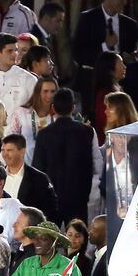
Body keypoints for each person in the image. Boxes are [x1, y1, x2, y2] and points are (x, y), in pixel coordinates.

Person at [31, 89, 96, 225]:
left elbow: (38, 169)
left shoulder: (44, 135)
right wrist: (85, 194)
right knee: (77, 240)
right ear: (73, 107)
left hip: (50, 198)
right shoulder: (86, 132)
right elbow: (89, 167)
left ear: (53, 108)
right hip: (78, 197)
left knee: (49, 240)